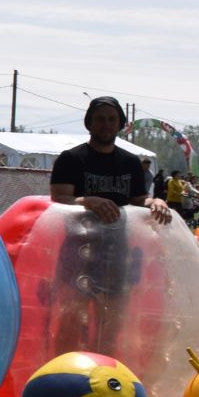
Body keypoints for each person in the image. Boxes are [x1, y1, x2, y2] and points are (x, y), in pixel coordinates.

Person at [46, 96, 171, 352]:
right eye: (100, 119)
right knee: (69, 320)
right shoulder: (71, 159)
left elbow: (138, 200)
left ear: (120, 125)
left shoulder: (130, 163)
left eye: (112, 119)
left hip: (116, 252)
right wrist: (87, 201)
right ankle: (63, 378)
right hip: (77, 251)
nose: (106, 124)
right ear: (88, 123)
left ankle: (106, 379)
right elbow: (59, 200)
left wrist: (155, 201)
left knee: (111, 324)